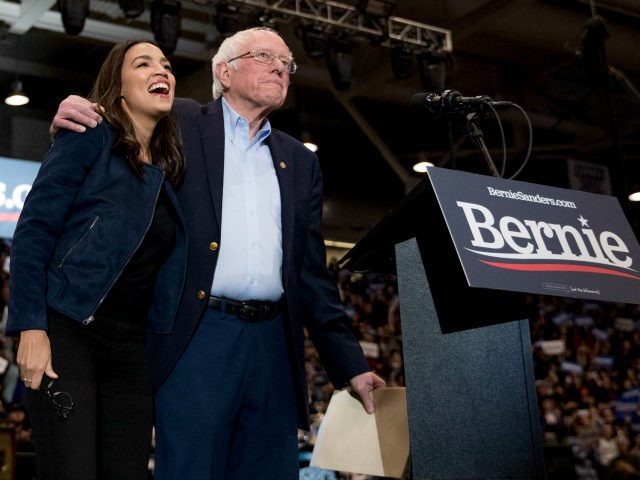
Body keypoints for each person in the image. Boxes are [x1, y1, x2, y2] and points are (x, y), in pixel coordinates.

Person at [51, 26, 386, 480]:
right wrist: (83, 109)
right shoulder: (181, 121)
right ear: (223, 72)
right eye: (265, 55)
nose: (279, 67)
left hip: (273, 345)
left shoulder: (299, 160)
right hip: (198, 335)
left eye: (286, 63)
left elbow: (310, 274)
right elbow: (126, 113)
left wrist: (351, 365)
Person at [7, 39, 187, 480]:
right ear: (118, 87)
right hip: (67, 332)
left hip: (131, 353)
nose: (160, 71)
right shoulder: (89, 136)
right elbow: (33, 232)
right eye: (143, 64)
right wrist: (30, 326)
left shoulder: (170, 169)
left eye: (165, 64)